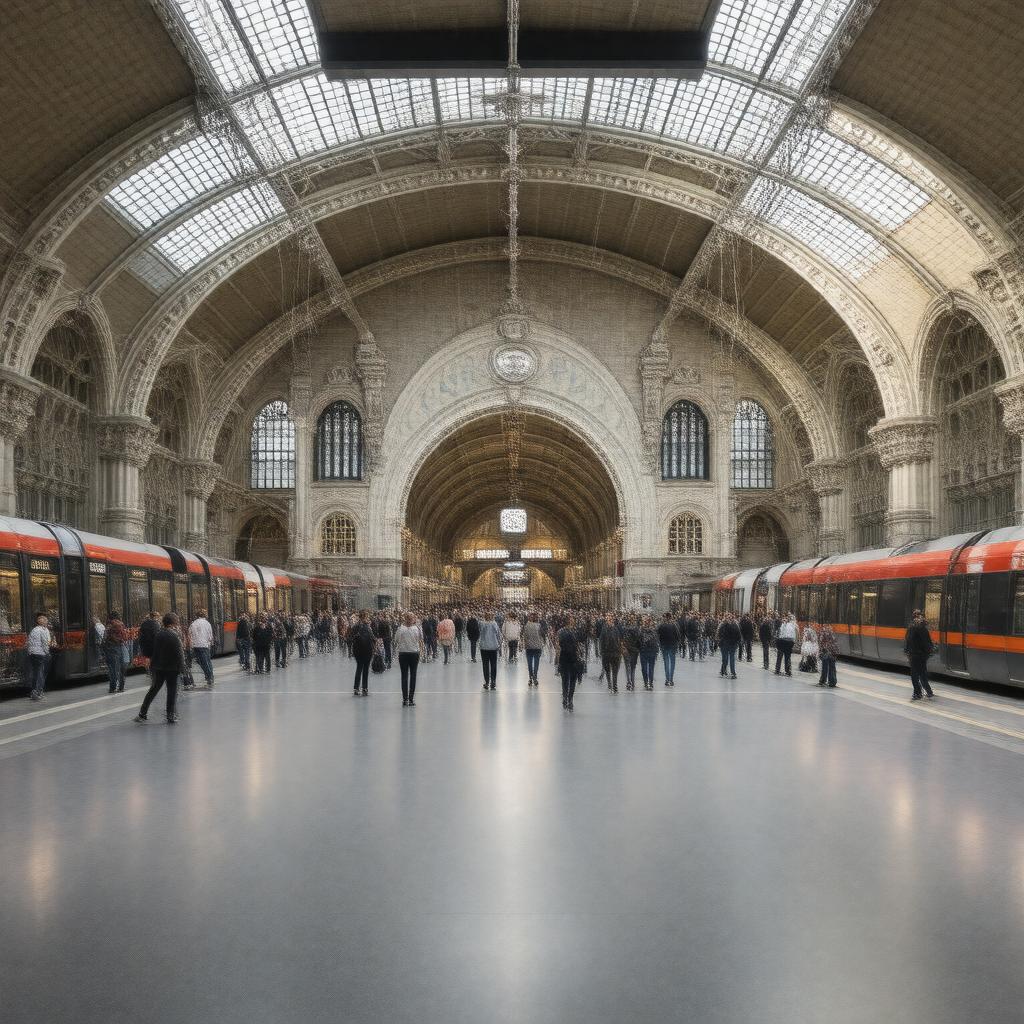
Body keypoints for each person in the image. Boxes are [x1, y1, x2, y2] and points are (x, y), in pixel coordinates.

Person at [134, 613, 188, 724]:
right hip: (172, 668)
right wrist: (183, 669)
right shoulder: (174, 635)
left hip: (158, 667)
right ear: (173, 622)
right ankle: (170, 715)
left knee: (153, 690)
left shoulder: (158, 634)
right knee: (172, 691)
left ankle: (142, 713)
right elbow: (180, 653)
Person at [903, 609, 935, 701]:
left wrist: (907, 651)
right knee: (922, 673)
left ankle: (917, 693)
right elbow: (928, 642)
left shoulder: (912, 628)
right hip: (922, 655)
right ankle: (928, 691)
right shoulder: (924, 628)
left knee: (915, 675)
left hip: (915, 654)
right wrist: (927, 653)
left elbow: (908, 640)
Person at [394, 612, 423, 707]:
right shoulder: (417, 628)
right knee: (413, 675)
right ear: (413, 619)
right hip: (414, 653)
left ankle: (405, 699)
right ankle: (411, 699)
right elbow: (420, 639)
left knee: (404, 676)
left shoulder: (400, 629)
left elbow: (396, 640)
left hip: (403, 653)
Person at [26, 613, 55, 701]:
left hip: (32, 654)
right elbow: (45, 643)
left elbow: (29, 642)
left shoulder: (34, 629)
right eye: (46, 620)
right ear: (43, 622)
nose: (47, 622)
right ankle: (38, 691)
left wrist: (30, 651)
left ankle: (34, 691)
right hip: (41, 654)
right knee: (41, 673)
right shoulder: (44, 630)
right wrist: (47, 653)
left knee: (36, 672)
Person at [102, 612, 130, 694]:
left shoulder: (108, 627)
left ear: (110, 618)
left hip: (110, 649)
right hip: (120, 647)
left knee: (112, 669)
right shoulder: (121, 625)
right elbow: (125, 637)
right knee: (121, 668)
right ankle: (121, 687)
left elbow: (104, 639)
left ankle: (112, 688)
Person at [350, 611, 376, 696]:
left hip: (358, 651)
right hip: (367, 651)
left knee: (359, 668)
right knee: (365, 670)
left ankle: (356, 688)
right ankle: (365, 688)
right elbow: (373, 638)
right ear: (365, 617)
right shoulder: (368, 627)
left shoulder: (355, 626)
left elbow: (350, 638)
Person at [556, 614, 578, 711]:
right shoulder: (574, 632)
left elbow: (557, 646)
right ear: (569, 621)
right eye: (572, 620)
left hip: (565, 658)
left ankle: (567, 699)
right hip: (570, 658)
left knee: (566, 681)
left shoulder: (560, 632)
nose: (573, 621)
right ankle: (569, 700)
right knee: (571, 681)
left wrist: (557, 660)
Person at [189, 609, 215, 687]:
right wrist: (211, 642)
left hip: (196, 645)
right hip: (205, 645)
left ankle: (209, 676)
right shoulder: (207, 623)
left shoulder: (193, 624)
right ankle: (210, 676)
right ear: (204, 615)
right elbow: (210, 635)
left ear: (197, 616)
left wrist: (191, 644)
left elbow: (190, 634)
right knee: (207, 661)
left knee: (202, 662)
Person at [599, 612, 623, 694]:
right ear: (606, 619)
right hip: (606, 653)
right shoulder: (604, 629)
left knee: (615, 670)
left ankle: (615, 685)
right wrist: (601, 651)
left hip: (615, 653)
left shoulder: (616, 629)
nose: (610, 619)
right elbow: (601, 641)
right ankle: (609, 683)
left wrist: (620, 650)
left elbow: (619, 640)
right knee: (607, 670)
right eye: (608, 618)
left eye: (611, 618)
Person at [478, 611, 501, 691]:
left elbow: (480, 631)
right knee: (493, 665)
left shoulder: (481, 623)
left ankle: (487, 682)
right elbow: (498, 634)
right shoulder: (494, 624)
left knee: (485, 665)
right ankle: (493, 682)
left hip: (484, 647)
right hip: (493, 647)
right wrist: (499, 644)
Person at [657, 612, 679, 687]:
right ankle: (671, 680)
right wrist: (677, 644)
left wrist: (660, 644)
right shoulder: (674, 625)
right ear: (671, 617)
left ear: (665, 617)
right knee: (672, 663)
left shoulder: (661, 625)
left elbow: (657, 635)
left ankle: (667, 680)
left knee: (666, 663)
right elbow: (678, 635)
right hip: (672, 646)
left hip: (664, 646)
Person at [718, 613, 741, 680]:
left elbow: (720, 634)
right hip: (732, 644)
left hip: (726, 644)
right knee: (731, 659)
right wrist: (737, 643)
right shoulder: (735, 626)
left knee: (725, 659)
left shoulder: (724, 625)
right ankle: (732, 673)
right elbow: (739, 636)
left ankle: (723, 671)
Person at [523, 611, 543, 686]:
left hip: (536, 647)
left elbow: (541, 636)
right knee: (530, 664)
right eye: (531, 616)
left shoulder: (538, 625)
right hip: (530, 647)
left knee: (535, 664)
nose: (532, 618)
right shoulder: (527, 625)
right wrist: (524, 645)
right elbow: (525, 636)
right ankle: (531, 678)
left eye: (533, 616)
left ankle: (534, 677)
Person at [639, 615, 659, 690]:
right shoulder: (654, 630)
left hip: (644, 651)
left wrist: (639, 649)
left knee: (644, 668)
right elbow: (656, 641)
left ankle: (646, 682)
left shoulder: (641, 630)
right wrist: (656, 651)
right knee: (651, 668)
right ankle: (650, 683)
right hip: (651, 651)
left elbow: (639, 641)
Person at [621, 614, 641, 692]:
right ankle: (632, 683)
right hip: (634, 650)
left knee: (627, 666)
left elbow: (622, 640)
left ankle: (629, 682)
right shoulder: (637, 629)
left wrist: (623, 648)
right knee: (633, 667)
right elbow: (639, 640)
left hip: (626, 649)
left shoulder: (624, 629)